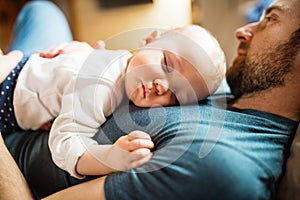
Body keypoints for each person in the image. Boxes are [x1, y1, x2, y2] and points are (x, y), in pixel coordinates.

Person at [1, 0, 299, 199]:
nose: (242, 30)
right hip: (44, 82)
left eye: (270, 19)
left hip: (10, 129)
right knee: (42, 9)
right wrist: (85, 61)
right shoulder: (228, 82)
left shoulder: (224, 166)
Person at [0, 1, 226, 179]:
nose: (162, 86)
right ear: (149, 40)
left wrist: (111, 156)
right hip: (15, 76)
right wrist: (88, 53)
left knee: (41, 9)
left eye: (175, 96)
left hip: (9, 94)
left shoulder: (103, 90)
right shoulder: (111, 77)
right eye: (167, 65)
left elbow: (66, 142)